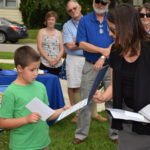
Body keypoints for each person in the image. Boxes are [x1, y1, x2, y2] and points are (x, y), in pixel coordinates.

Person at [93, 3, 150, 150]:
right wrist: (104, 96)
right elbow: (114, 84)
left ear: (127, 27)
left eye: (113, 29)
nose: (110, 34)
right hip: (128, 118)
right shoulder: (115, 51)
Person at [0, 46, 70, 150]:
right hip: (22, 146)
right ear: (19, 68)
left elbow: (47, 115)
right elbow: (3, 123)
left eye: (37, 69)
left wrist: (63, 110)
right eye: (32, 70)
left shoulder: (40, 87)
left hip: (43, 143)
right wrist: (26, 119)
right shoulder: (11, 92)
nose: (36, 73)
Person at [73, 0, 118, 144]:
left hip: (111, 65)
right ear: (93, 2)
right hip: (91, 65)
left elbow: (118, 39)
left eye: (103, 2)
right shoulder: (85, 20)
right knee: (85, 100)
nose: (100, 4)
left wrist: (104, 56)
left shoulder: (113, 18)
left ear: (108, 3)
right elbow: (81, 43)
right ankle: (81, 134)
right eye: (97, 1)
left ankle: (115, 134)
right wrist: (101, 51)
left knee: (112, 100)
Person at [63, 0, 85, 123]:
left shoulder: (89, 21)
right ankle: (77, 114)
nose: (73, 11)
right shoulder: (67, 26)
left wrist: (77, 41)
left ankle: (92, 113)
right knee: (75, 86)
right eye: (70, 10)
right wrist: (85, 42)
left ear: (80, 7)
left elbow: (95, 41)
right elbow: (70, 46)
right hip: (74, 59)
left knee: (89, 86)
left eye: (74, 8)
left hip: (89, 58)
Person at [37, 11, 64, 76]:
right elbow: (39, 47)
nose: (51, 21)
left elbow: (62, 49)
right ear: (46, 21)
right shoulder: (41, 32)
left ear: (55, 21)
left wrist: (56, 60)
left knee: (55, 84)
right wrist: (49, 60)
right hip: (44, 63)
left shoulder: (59, 33)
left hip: (57, 64)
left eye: (52, 19)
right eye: (49, 19)